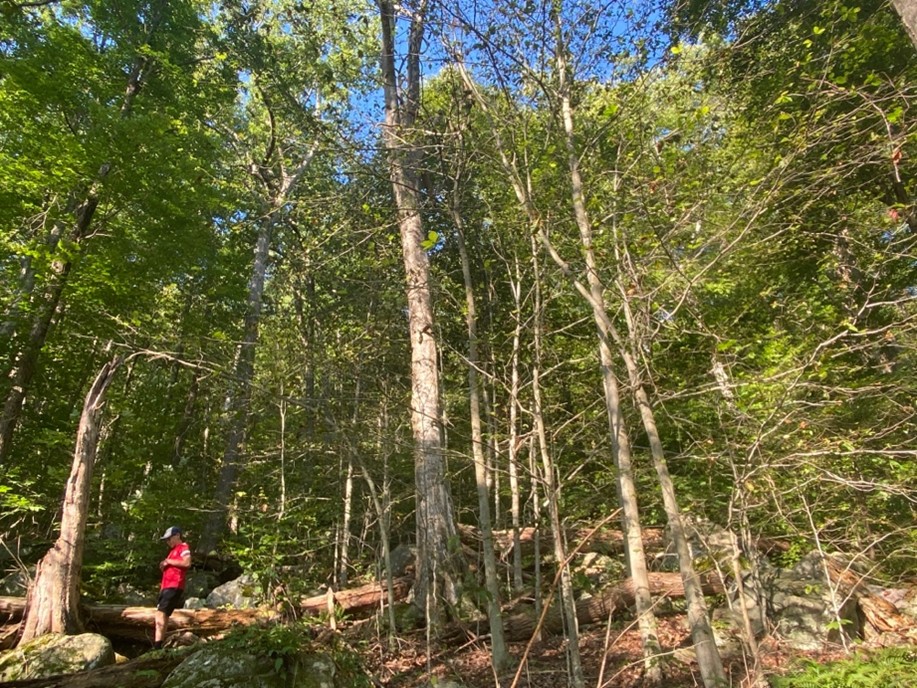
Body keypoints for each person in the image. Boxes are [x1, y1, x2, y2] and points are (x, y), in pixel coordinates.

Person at [154, 526, 191, 649]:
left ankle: (157, 645)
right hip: (167, 586)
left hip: (174, 585)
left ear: (177, 536)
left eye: (169, 539)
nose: (168, 542)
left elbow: (187, 562)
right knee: (163, 615)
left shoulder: (183, 547)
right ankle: (159, 644)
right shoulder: (173, 551)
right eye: (166, 540)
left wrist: (169, 562)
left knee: (160, 614)